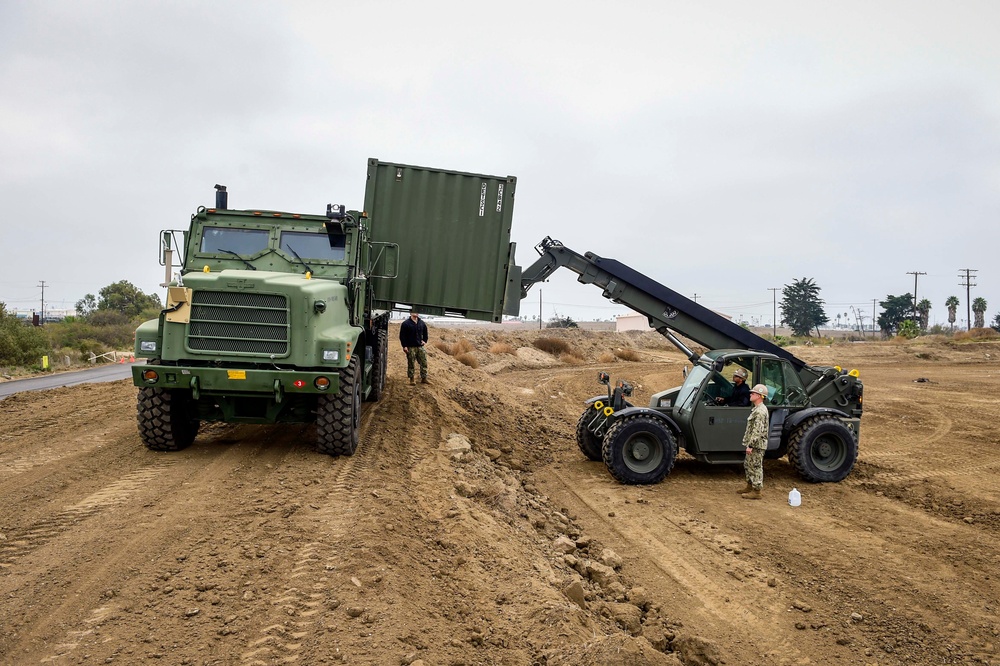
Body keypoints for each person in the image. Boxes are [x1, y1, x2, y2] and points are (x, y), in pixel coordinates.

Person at [739, 384, 769, 499]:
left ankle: (757, 491)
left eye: (753, 393)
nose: (750, 394)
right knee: (748, 465)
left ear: (760, 396)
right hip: (754, 444)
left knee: (755, 466)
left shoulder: (760, 411)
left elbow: (758, 430)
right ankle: (750, 486)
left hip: (757, 445)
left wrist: (750, 445)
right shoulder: (757, 409)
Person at [399, 311, 428, 384]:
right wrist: (404, 346)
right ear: (410, 313)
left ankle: (424, 378)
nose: (416, 313)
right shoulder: (406, 324)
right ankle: (412, 379)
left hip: (420, 346)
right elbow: (402, 336)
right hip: (410, 347)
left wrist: (424, 340)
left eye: (417, 312)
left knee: (424, 362)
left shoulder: (421, 323)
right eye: (414, 312)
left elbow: (425, 332)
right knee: (411, 363)